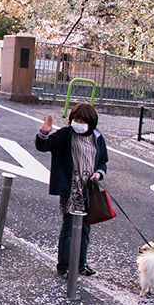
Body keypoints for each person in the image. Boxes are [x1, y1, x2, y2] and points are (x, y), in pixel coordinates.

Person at [35, 103, 109, 278]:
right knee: (69, 228)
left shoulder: (98, 137)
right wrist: (44, 132)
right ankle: (65, 266)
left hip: (88, 190)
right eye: (76, 119)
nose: (78, 123)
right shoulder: (65, 135)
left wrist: (99, 174)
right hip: (70, 189)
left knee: (85, 229)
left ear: (91, 123)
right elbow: (43, 146)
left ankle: (81, 264)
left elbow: (103, 161)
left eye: (82, 120)